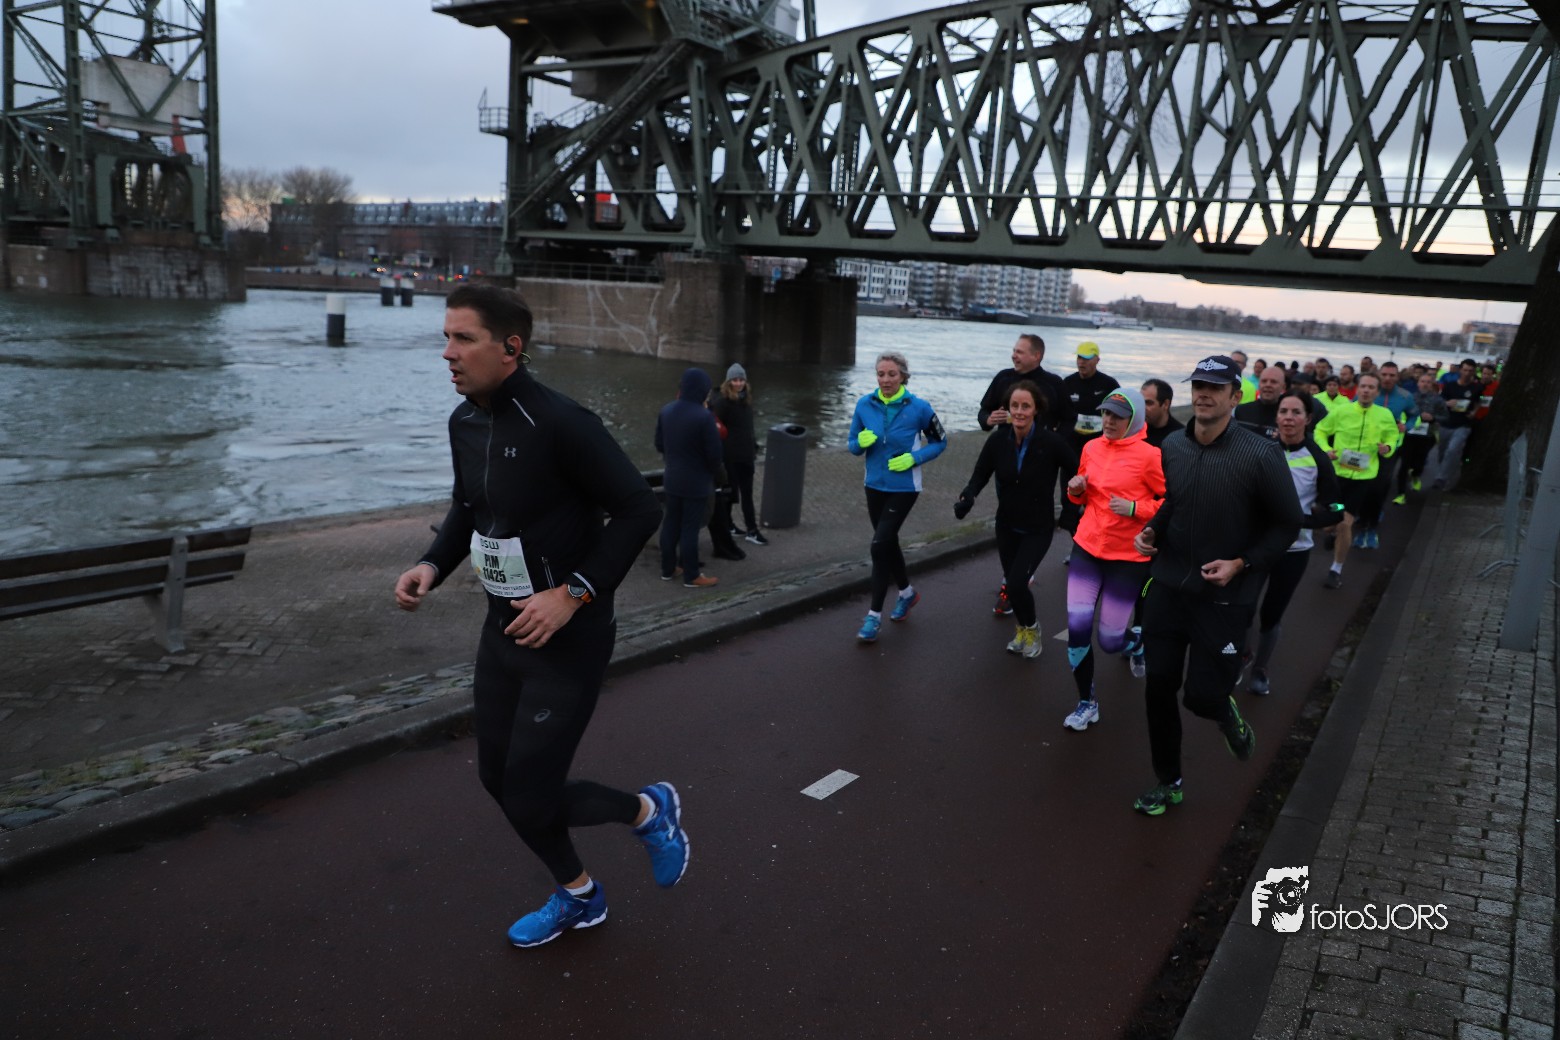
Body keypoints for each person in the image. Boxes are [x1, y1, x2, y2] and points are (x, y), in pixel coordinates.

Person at [394, 284, 685, 949]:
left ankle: (648, 812)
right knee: (497, 779)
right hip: (502, 631)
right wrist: (432, 565)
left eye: (463, 339)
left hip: (568, 638)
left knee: (530, 792)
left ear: (511, 347)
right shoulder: (464, 423)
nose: (448, 353)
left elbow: (640, 509)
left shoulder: (562, 423)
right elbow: (471, 507)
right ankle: (582, 893)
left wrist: (572, 593)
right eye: (446, 338)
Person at [1130, 355, 1302, 816]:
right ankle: (1169, 781)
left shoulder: (1260, 454)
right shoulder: (1174, 446)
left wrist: (1241, 563)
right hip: (1169, 586)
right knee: (1158, 688)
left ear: (1235, 396)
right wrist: (1153, 530)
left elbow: (1288, 523)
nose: (1203, 394)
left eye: (1215, 387)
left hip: (1224, 596)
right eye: (1198, 386)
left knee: (1203, 697)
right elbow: (1174, 501)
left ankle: (1226, 714)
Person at [1061, 388, 1163, 728]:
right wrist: (1075, 489)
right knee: (1077, 629)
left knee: (1109, 641)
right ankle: (1087, 703)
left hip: (1127, 558)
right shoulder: (1091, 447)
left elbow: (1170, 503)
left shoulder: (1150, 456)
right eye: (1106, 413)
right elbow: (1081, 497)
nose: (1108, 420)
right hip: (1087, 548)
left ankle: (1136, 643)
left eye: (1118, 416)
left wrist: (1135, 508)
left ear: (1134, 420)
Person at [954, 381, 1076, 658]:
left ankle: (1032, 629)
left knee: (1018, 583)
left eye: (1025, 406)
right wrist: (968, 496)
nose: (1019, 411)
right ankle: (1022, 629)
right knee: (1012, 584)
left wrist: (1072, 503)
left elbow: (1077, 469)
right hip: (1006, 525)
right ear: (1008, 408)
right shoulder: (999, 441)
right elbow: (981, 473)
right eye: (1015, 406)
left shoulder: (1051, 442)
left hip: (1038, 528)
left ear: (1036, 410)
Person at [1245, 391, 1343, 694]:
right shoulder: (1261, 451)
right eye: (1284, 411)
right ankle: (1241, 655)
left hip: (1294, 551)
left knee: (1271, 614)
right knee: (1243, 607)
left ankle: (1260, 669)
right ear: (1277, 417)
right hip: (1257, 547)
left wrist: (1303, 521)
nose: (1289, 418)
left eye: (1296, 412)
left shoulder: (1318, 459)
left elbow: (1337, 508)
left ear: (1308, 419)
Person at [848, 352, 948, 643]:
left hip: (904, 487)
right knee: (887, 543)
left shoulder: (919, 408)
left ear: (903, 376)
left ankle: (873, 616)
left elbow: (941, 441)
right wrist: (859, 443)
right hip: (874, 485)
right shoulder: (864, 404)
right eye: (881, 374)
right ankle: (907, 593)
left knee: (879, 546)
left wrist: (914, 458)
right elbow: (852, 444)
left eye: (891, 374)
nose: (885, 379)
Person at [976, 333, 1069, 615]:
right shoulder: (1003, 378)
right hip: (1006, 459)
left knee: (1033, 515)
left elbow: (1070, 418)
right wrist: (988, 419)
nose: (1013, 355)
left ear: (1036, 356)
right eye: (1013, 350)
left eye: (1019, 351)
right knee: (1009, 517)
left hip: (1039, 464)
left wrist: (1055, 441)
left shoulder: (1053, 384)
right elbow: (984, 412)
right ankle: (1014, 578)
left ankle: (1017, 578)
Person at [1314, 371, 1399, 585]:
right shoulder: (1342, 411)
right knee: (1330, 520)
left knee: (1345, 522)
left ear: (1377, 392)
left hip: (1362, 479)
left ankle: (1336, 570)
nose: (1366, 390)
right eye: (1363, 386)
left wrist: (1387, 447)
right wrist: (1326, 449)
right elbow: (1320, 430)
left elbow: (1392, 436)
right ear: (1357, 389)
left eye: (1371, 387)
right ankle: (1332, 532)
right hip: (1337, 477)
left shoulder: (1384, 415)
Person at [656, 368, 724, 589]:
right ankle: (692, 575)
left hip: (672, 478)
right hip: (696, 482)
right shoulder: (704, 417)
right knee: (690, 529)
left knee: (670, 524)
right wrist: (709, 472)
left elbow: (659, 444)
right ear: (702, 390)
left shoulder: (666, 410)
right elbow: (715, 456)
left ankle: (668, 569)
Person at [1058, 341, 1121, 536]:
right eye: (1079, 357)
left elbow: (1121, 414)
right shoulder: (1068, 383)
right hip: (1071, 450)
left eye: (1086, 358)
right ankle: (1076, 537)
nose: (1081, 362)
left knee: (1095, 497)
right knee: (1069, 498)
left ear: (1097, 360)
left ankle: (1094, 537)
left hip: (1099, 452)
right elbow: (1057, 413)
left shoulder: (1109, 385)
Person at [710, 363, 766, 546]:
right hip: (731, 457)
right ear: (729, 382)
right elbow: (715, 429)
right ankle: (729, 525)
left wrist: (754, 445)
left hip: (746, 455)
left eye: (741, 380)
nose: (739, 383)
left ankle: (751, 530)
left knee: (747, 494)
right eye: (735, 380)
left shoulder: (746, 400)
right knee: (730, 494)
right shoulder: (722, 403)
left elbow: (748, 427)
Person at [1432, 358, 1482, 491]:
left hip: (1463, 425)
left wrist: (1474, 412)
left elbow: (1478, 402)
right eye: (1465, 370)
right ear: (1460, 370)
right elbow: (1440, 402)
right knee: (1443, 452)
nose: (1467, 373)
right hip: (1446, 423)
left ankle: (1441, 478)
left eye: (1470, 371)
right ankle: (1445, 473)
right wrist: (1447, 403)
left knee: (1452, 450)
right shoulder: (1450, 386)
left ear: (1474, 372)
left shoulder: (1476, 388)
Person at [1398, 371, 1449, 497]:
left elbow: (1445, 417)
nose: (1425, 384)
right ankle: (1400, 491)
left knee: (1419, 462)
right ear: (1418, 383)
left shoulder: (1438, 400)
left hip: (1427, 436)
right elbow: (1401, 413)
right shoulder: (1410, 397)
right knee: (1405, 463)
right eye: (1422, 381)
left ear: (1432, 384)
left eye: (1428, 382)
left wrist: (1432, 418)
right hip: (1409, 434)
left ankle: (1415, 475)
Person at [1234, 365, 1290, 440]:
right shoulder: (1241, 410)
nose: (1268, 385)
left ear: (1283, 387)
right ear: (1259, 384)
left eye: (1273, 382)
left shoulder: (1288, 417)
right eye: (1264, 381)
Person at [1141, 378, 1183, 449]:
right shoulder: (1136, 431)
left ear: (1166, 404)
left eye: (1149, 403)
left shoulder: (1181, 437)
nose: (1143, 407)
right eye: (1141, 402)